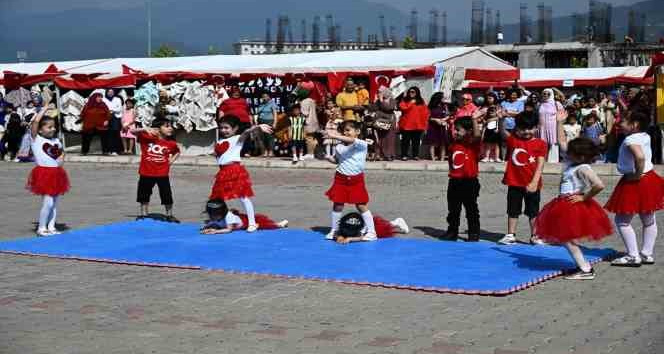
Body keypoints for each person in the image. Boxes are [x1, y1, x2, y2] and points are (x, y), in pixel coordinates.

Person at [535, 118, 613, 280]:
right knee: (567, 238)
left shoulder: (583, 168)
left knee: (567, 238)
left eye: (570, 152)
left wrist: (584, 197)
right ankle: (582, 266)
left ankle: (585, 269)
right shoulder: (573, 162)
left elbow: (599, 185)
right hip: (564, 203)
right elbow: (562, 141)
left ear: (581, 156)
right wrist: (559, 123)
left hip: (571, 204)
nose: (567, 154)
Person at [605, 112, 664, 267]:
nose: (619, 123)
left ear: (635, 124)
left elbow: (640, 157)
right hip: (649, 178)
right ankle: (646, 253)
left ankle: (633, 255)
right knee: (648, 218)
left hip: (636, 180)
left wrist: (637, 174)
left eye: (622, 121)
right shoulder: (645, 135)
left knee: (622, 221)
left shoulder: (630, 139)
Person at [210, 115, 272, 232]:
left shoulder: (238, 139)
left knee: (243, 197)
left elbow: (246, 133)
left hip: (235, 170)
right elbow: (219, 154)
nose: (223, 130)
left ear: (235, 128)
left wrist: (257, 127)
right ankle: (218, 219)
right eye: (221, 128)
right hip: (222, 172)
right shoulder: (219, 141)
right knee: (216, 198)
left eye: (227, 128)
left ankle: (252, 222)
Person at [322, 120, 379, 241]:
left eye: (348, 130)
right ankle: (334, 230)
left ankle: (372, 232)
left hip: (356, 179)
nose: (345, 133)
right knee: (337, 204)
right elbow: (338, 161)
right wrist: (328, 158)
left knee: (361, 205)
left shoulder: (361, 144)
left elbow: (351, 140)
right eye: (344, 131)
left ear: (357, 132)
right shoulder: (339, 146)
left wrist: (334, 135)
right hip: (340, 178)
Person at [498, 112, 548, 245]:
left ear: (536, 127)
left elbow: (540, 164)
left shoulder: (541, 144)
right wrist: (502, 118)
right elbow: (502, 131)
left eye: (530, 128)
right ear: (517, 128)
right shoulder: (513, 140)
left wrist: (534, 182)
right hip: (514, 183)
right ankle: (510, 235)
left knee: (533, 212)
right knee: (512, 210)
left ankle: (535, 236)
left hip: (532, 184)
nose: (526, 131)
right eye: (523, 128)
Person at [26, 103, 70, 236]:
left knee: (54, 203)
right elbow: (35, 122)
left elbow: (61, 155)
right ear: (40, 130)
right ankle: (41, 227)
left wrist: (62, 158)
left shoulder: (56, 141)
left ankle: (51, 227)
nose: (52, 129)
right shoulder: (36, 139)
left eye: (53, 127)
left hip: (57, 173)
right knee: (48, 202)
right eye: (49, 127)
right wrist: (44, 109)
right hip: (44, 173)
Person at [131, 118, 181, 221]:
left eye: (171, 126)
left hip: (162, 174)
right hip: (146, 172)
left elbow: (177, 152)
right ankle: (144, 214)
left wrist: (171, 161)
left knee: (166, 194)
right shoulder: (146, 137)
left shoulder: (171, 143)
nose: (170, 128)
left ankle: (169, 215)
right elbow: (131, 131)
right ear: (158, 129)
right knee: (143, 194)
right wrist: (145, 129)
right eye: (167, 126)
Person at [442, 116, 482, 241]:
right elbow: (451, 162)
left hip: (469, 182)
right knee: (453, 209)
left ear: (468, 131)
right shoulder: (453, 145)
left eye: (458, 130)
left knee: (471, 209)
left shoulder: (472, 145)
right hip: (454, 181)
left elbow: (476, 135)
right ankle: (452, 231)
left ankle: (473, 232)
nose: (455, 132)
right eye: (455, 129)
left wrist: (474, 120)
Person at [200, 199, 288, 234]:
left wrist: (215, 232)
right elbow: (215, 223)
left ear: (220, 213)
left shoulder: (228, 217)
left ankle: (279, 224)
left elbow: (229, 229)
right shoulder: (215, 217)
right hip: (238, 219)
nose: (212, 217)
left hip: (244, 223)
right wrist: (208, 227)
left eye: (214, 215)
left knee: (262, 225)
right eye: (211, 214)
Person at [333, 212, 409, 244]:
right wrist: (339, 237)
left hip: (373, 228)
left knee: (385, 227)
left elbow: (361, 237)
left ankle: (397, 222)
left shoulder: (361, 229)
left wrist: (350, 239)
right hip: (365, 224)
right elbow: (336, 233)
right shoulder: (343, 226)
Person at [398, 87, 429, 161]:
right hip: (406, 125)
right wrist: (411, 103)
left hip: (418, 125)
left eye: (413, 92)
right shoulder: (404, 100)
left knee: (416, 141)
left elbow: (425, 113)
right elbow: (403, 108)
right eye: (410, 92)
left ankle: (415, 155)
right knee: (405, 141)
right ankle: (404, 155)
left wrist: (425, 125)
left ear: (417, 93)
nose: (411, 93)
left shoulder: (421, 101)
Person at [370, 87, 398, 161]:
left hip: (389, 121)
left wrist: (382, 100)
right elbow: (373, 108)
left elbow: (388, 108)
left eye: (381, 92)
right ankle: (379, 155)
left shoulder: (392, 100)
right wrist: (376, 100)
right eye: (379, 92)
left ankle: (388, 155)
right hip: (380, 122)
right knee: (379, 138)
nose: (380, 93)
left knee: (389, 139)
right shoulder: (378, 100)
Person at [538, 88, 564, 163]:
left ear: (551, 94)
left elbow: (562, 115)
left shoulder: (557, 103)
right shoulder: (540, 104)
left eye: (548, 94)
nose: (546, 95)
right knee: (543, 145)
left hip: (553, 127)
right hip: (542, 128)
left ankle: (553, 162)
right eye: (544, 94)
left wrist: (560, 126)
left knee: (553, 144)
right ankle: (542, 161)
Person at [475, 92, 502, 162]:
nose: (488, 100)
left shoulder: (498, 107)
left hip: (496, 128)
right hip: (486, 128)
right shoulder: (484, 108)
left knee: (496, 144)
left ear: (494, 98)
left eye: (490, 98)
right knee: (486, 144)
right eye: (487, 98)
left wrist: (489, 120)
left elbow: (500, 117)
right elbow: (477, 117)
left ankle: (495, 157)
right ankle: (486, 157)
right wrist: (482, 120)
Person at [424, 92, 450, 161]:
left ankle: (442, 159)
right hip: (433, 126)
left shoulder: (444, 106)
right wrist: (435, 119)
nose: (444, 99)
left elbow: (448, 115)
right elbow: (428, 117)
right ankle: (433, 159)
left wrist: (444, 119)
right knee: (432, 143)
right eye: (443, 97)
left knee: (443, 143)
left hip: (442, 126)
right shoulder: (431, 107)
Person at [255, 91, 278, 157]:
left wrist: (275, 123)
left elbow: (275, 114)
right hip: (261, 122)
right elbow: (258, 114)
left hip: (269, 121)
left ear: (269, 96)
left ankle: (271, 152)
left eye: (266, 96)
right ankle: (264, 152)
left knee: (269, 137)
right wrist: (257, 122)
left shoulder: (272, 103)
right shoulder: (261, 104)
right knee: (262, 137)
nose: (264, 98)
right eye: (263, 97)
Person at [103, 89, 124, 156]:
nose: (110, 93)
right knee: (108, 134)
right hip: (106, 118)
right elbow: (103, 108)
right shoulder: (104, 99)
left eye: (112, 92)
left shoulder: (117, 99)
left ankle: (116, 150)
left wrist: (112, 110)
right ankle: (108, 150)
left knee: (115, 133)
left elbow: (119, 109)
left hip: (116, 118)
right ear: (106, 92)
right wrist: (109, 111)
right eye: (109, 92)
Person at [300, 91, 320, 160]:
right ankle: (312, 153)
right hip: (314, 121)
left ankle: (310, 153)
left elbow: (304, 113)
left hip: (308, 122)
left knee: (308, 138)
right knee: (313, 138)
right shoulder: (312, 100)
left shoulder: (304, 102)